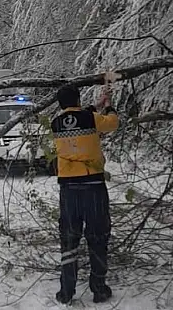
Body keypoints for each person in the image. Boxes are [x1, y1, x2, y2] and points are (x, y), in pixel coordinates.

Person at [50, 82, 119, 304]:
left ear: (61, 104)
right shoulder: (91, 118)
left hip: (68, 189)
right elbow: (112, 123)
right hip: (93, 186)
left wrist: (95, 105)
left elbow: (78, 119)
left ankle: (66, 291)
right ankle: (98, 288)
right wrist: (108, 107)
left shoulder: (56, 123)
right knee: (97, 236)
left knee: (69, 238)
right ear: (78, 101)